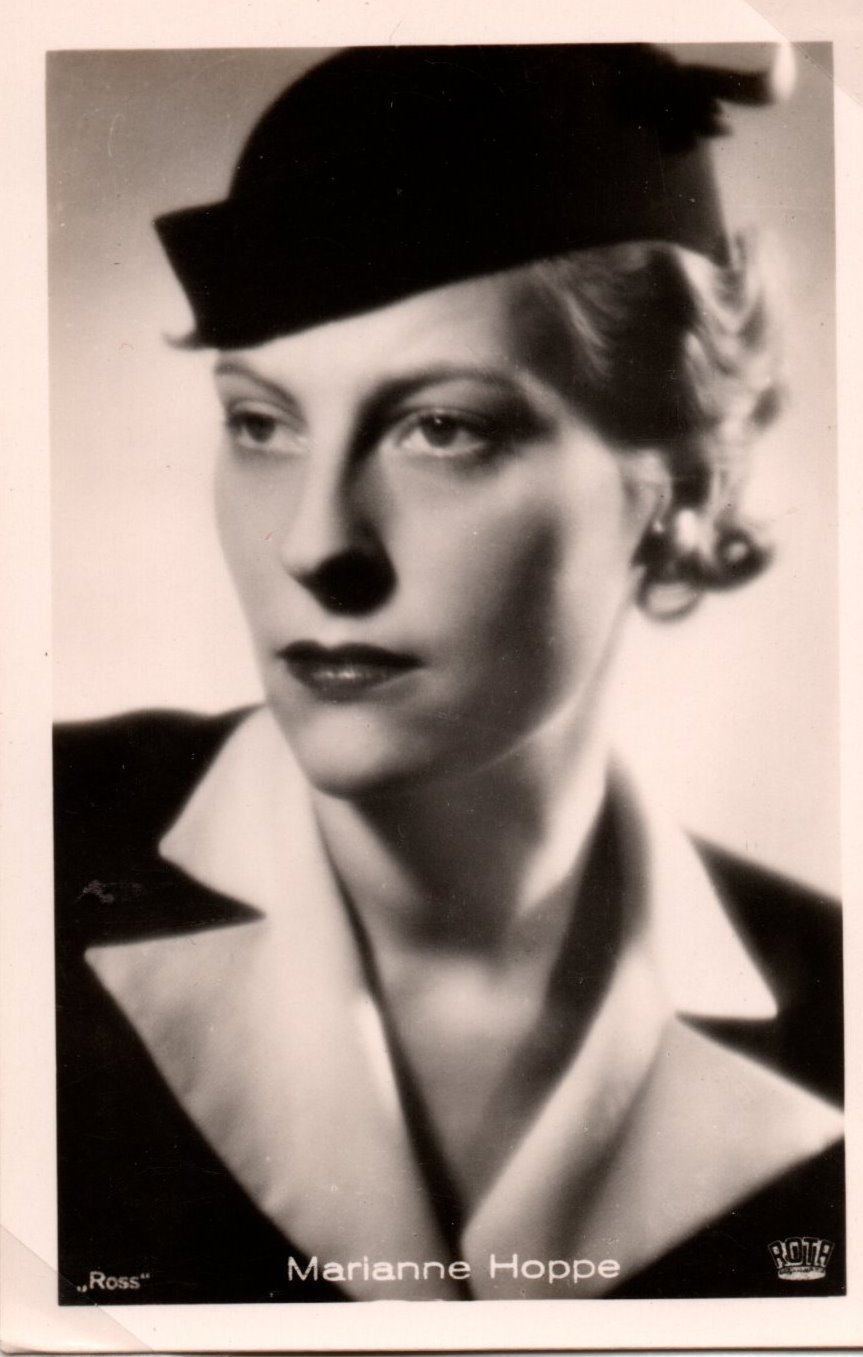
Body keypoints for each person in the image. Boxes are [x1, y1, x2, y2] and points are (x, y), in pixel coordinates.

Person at [54, 44, 843, 1304]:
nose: (313, 542)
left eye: (441, 428)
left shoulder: (835, 1011)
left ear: (678, 482)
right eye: (260, 423)